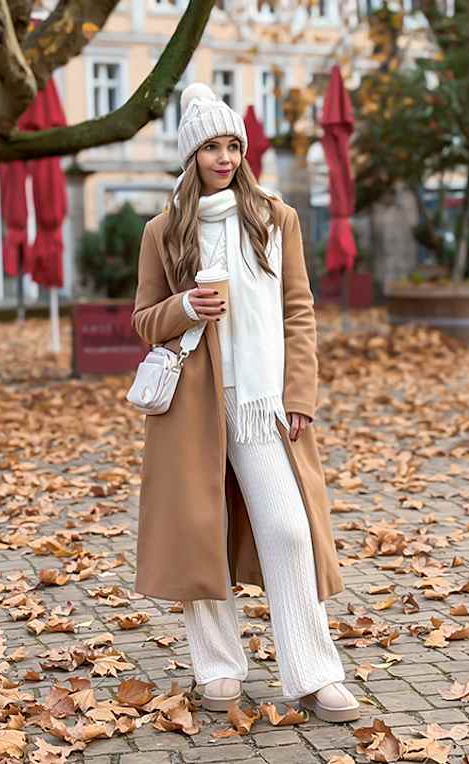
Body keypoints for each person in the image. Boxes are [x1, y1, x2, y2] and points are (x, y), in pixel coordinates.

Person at [131, 83, 360, 723]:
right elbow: (143, 320)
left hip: (263, 405)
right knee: (202, 537)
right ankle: (219, 670)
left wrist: (301, 394)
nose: (226, 157)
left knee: (289, 531)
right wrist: (183, 308)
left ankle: (314, 675)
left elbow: (299, 310)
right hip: (193, 410)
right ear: (191, 155)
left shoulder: (275, 218)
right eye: (212, 146)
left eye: (233, 145)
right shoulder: (162, 231)